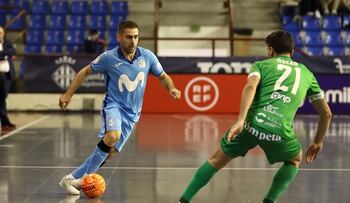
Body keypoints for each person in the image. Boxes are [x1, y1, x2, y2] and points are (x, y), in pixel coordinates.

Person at [178, 31, 332, 203]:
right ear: (292, 52)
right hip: (279, 131)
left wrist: (240, 120)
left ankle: (183, 201)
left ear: (271, 50)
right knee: (294, 159)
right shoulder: (307, 74)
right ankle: (268, 201)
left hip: (251, 125)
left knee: (216, 160)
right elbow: (326, 113)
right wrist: (317, 141)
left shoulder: (261, 65)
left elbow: (250, 87)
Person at [58, 20, 181, 195]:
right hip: (113, 106)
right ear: (119, 37)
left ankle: (70, 179)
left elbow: (163, 76)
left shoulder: (148, 57)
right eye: (129, 37)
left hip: (132, 115)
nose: (133, 41)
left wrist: (172, 88)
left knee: (109, 152)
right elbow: (85, 72)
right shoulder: (109, 58)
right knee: (112, 135)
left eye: (136, 37)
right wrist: (68, 94)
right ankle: (85, 179)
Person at [0, 26, 16, 131]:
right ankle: (4, 120)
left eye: (1, 32)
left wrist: (3, 54)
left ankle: (4, 120)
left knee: (3, 97)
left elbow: (12, 51)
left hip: (5, 75)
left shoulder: (7, 43)